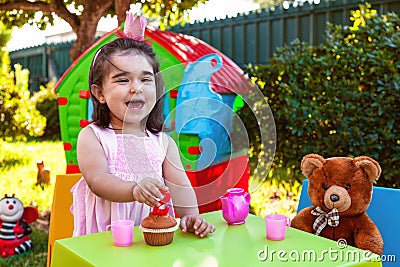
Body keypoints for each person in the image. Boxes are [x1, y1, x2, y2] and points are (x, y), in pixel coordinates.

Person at [71, 13, 215, 238]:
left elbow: (180, 186)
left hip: (153, 237)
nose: (136, 87)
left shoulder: (162, 142)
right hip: (106, 240)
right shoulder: (93, 137)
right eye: (122, 79)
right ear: (99, 93)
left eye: (145, 79)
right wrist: (133, 190)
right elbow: (97, 180)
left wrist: (191, 215)